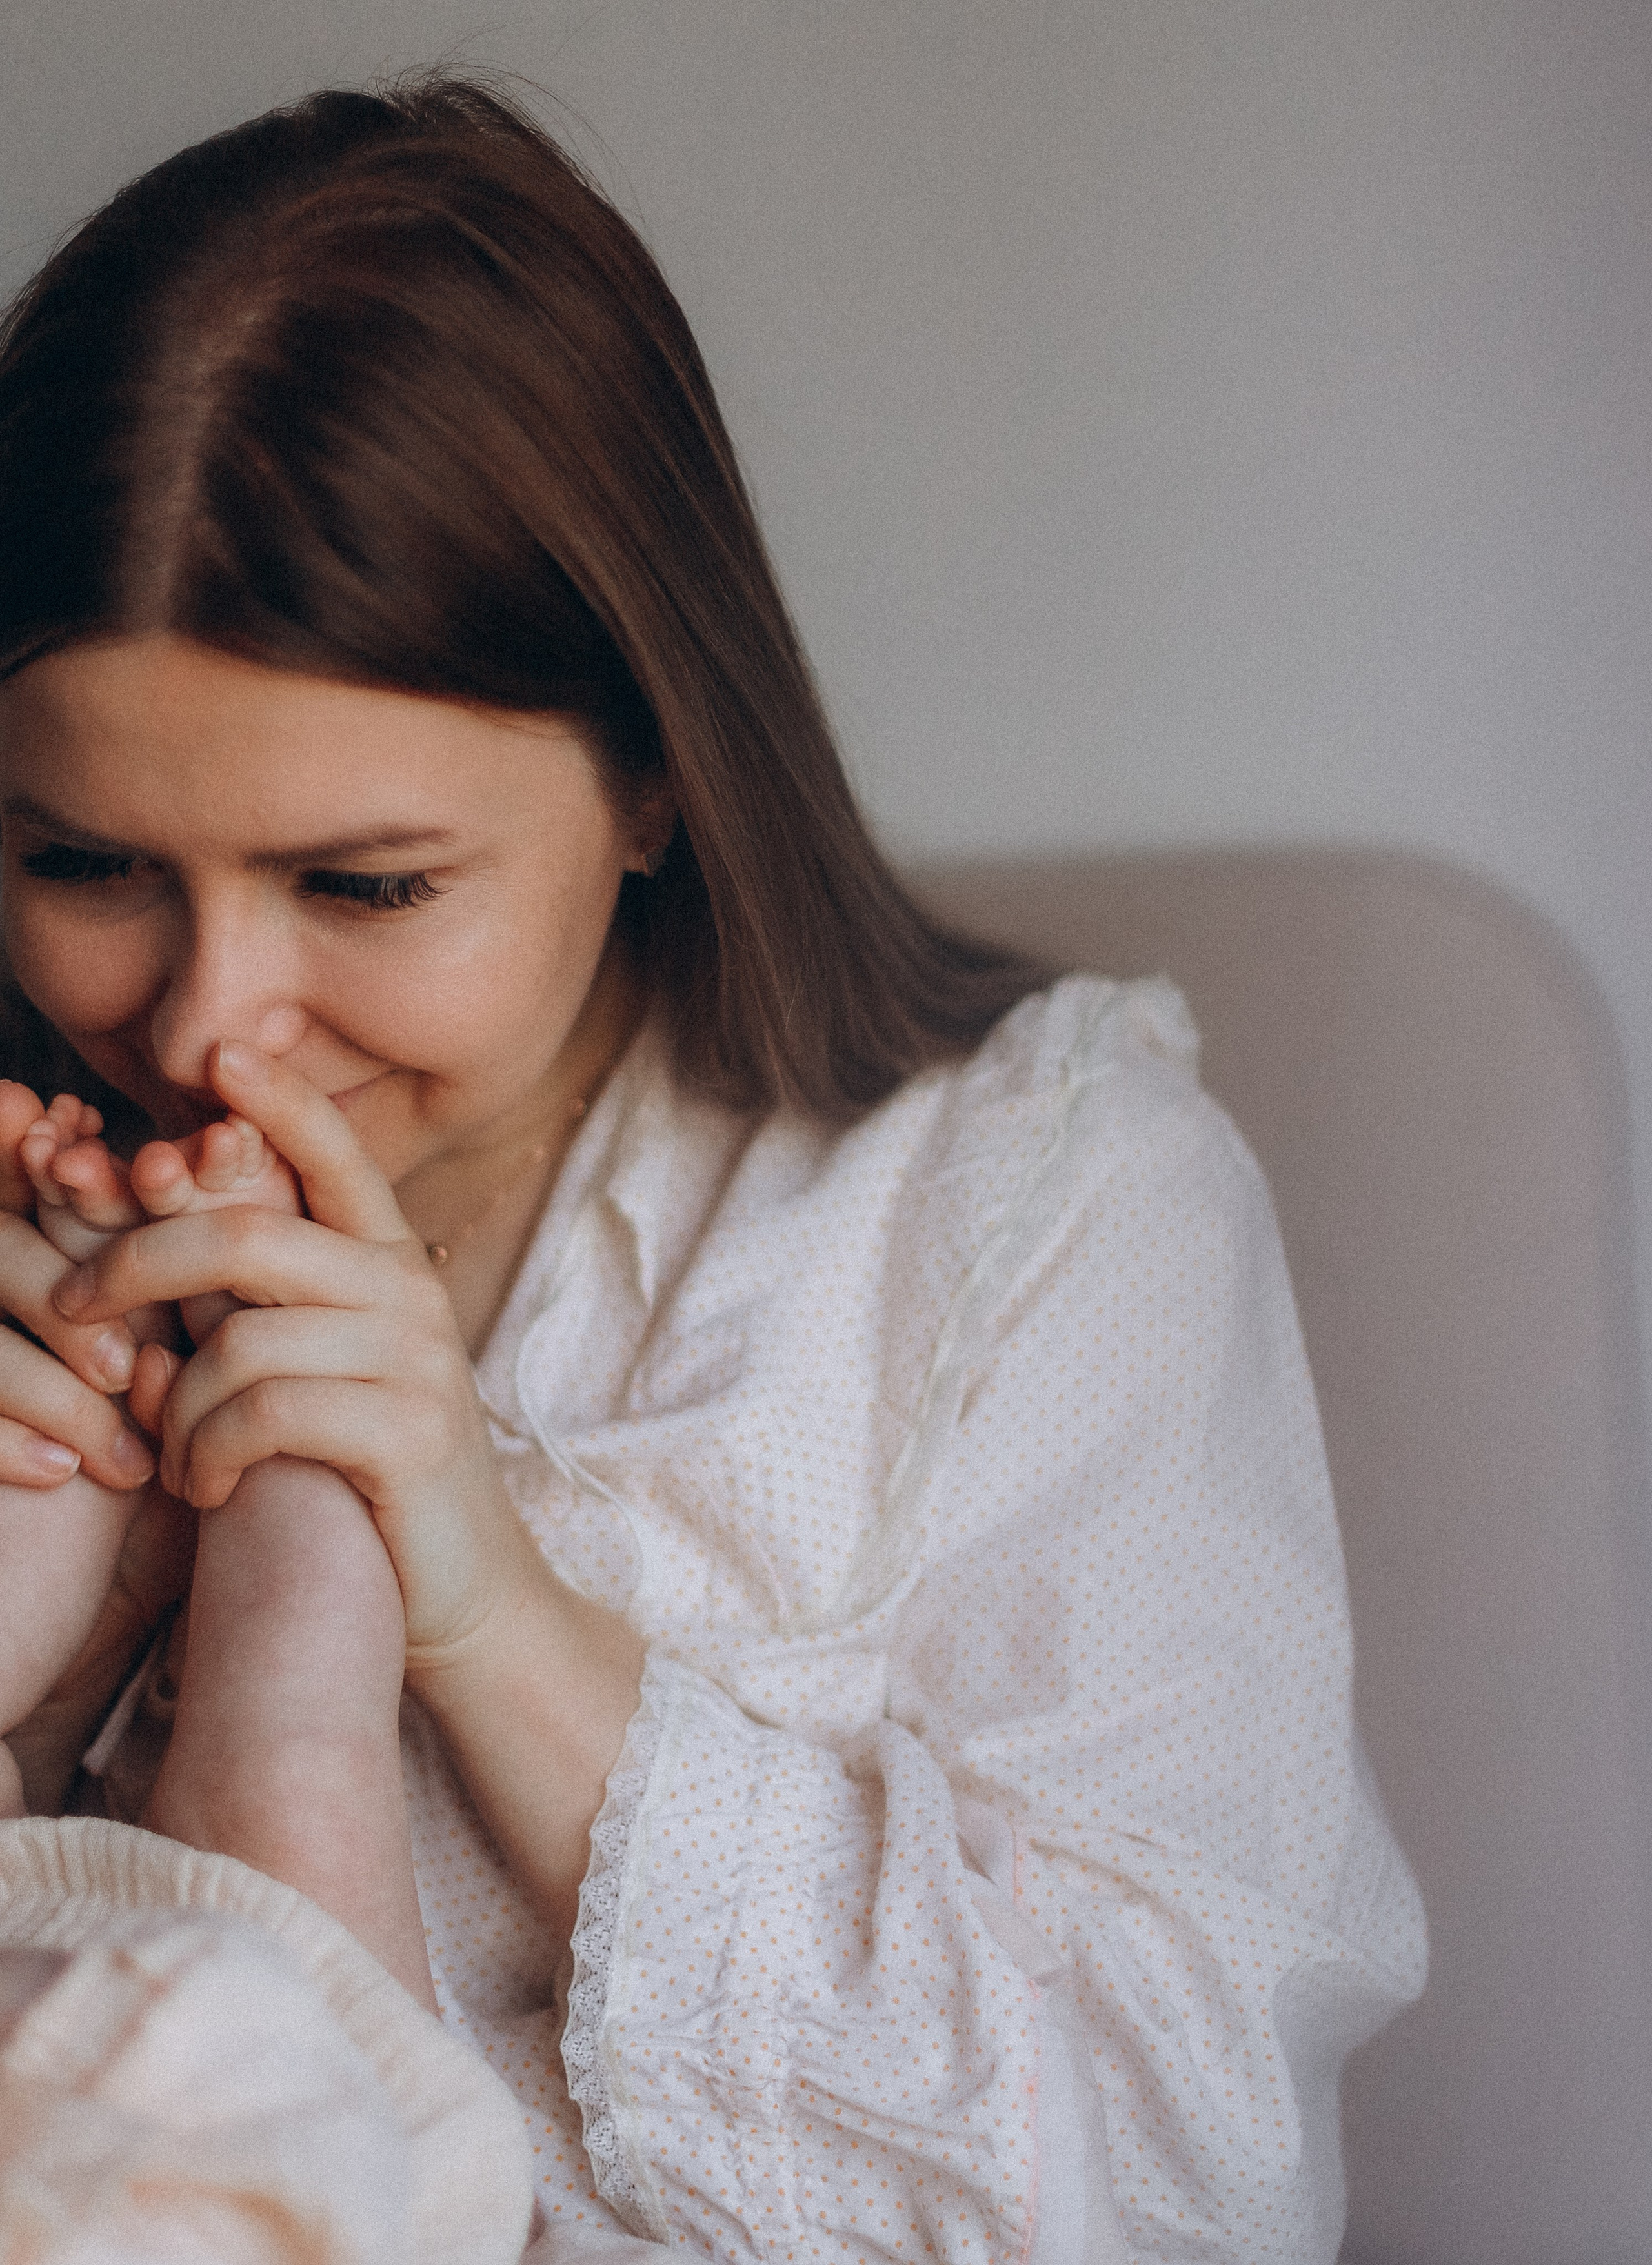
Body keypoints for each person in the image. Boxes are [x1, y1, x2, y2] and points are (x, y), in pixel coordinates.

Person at [0, 74, 1425, 2262]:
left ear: (660, 774)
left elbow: (1192, 2180)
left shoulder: (1031, 1213)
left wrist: (493, 1612)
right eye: (83, 859)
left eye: (365, 886)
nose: (206, 1023)